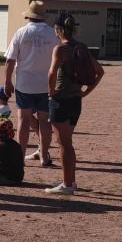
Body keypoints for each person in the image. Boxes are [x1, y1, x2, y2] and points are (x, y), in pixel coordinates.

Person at [44, 13, 105, 195]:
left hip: (61, 100)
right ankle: (70, 180)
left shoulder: (60, 49)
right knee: (67, 142)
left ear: (60, 30)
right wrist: (87, 91)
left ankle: (68, 185)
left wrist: (51, 92)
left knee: (64, 144)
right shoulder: (82, 47)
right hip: (76, 100)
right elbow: (100, 72)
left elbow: (51, 73)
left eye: (56, 29)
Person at [3, 0, 57, 168]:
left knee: (23, 121)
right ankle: (44, 155)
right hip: (46, 84)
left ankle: (20, 155)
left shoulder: (21, 33)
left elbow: (10, 60)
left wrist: (7, 81)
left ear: (29, 15)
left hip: (24, 83)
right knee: (44, 122)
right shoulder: (53, 34)